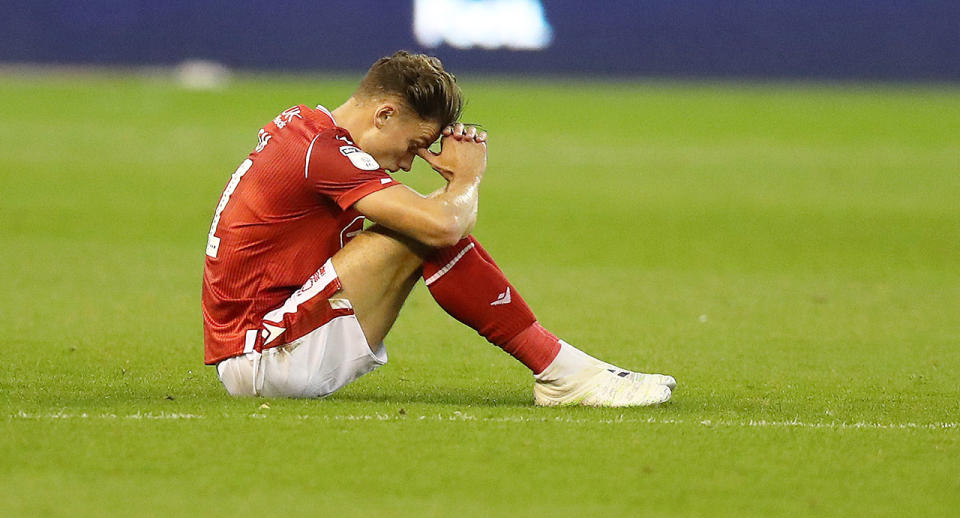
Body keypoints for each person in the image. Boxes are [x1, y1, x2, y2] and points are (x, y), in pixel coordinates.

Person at [201, 51, 676, 407]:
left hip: (260, 344)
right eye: (414, 144)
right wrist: (466, 179)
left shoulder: (308, 131)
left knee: (423, 220)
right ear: (384, 114)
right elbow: (444, 227)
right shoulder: (324, 152)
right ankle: (563, 373)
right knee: (423, 229)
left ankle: (565, 370)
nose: (409, 163)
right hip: (265, 357)